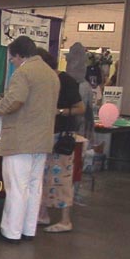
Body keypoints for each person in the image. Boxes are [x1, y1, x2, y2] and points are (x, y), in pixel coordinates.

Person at [0, 36, 59, 243]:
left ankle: (11, 232)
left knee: (16, 187)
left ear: (19, 55)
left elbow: (14, 102)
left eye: (12, 58)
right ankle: (28, 230)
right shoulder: (51, 74)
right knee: (34, 187)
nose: (12, 62)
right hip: (42, 139)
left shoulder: (24, 72)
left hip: (20, 140)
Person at [36, 48, 85, 233]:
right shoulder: (46, 81)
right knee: (44, 176)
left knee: (62, 178)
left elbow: (80, 108)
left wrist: (61, 111)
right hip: (47, 134)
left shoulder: (66, 81)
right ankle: (43, 213)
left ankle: (65, 220)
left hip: (62, 135)